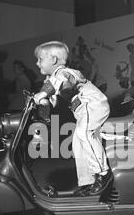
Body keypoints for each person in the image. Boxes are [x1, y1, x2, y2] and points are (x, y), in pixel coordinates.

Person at [33, 41, 112, 196]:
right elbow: (53, 97)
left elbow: (60, 81)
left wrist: (42, 94)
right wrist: (44, 101)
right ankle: (87, 181)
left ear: (54, 60)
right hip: (83, 111)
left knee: (84, 134)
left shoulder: (67, 72)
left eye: (40, 59)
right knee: (77, 143)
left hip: (93, 105)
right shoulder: (52, 78)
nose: (37, 63)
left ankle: (103, 174)